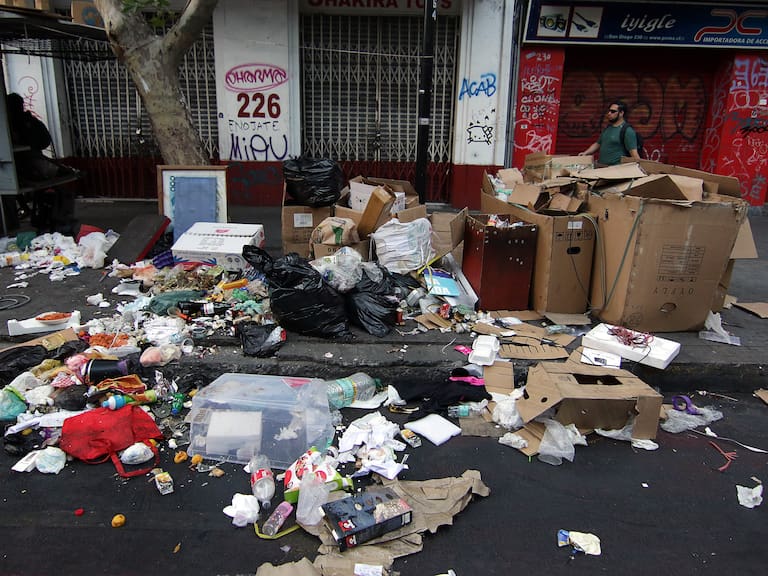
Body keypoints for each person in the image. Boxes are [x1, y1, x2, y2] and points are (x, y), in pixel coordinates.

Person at [580, 100, 641, 166]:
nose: (609, 113)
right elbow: (598, 143)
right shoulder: (608, 128)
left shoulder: (627, 131)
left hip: (616, 171)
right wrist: (585, 153)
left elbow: (634, 155)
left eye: (613, 111)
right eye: (609, 111)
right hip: (602, 168)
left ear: (621, 113)